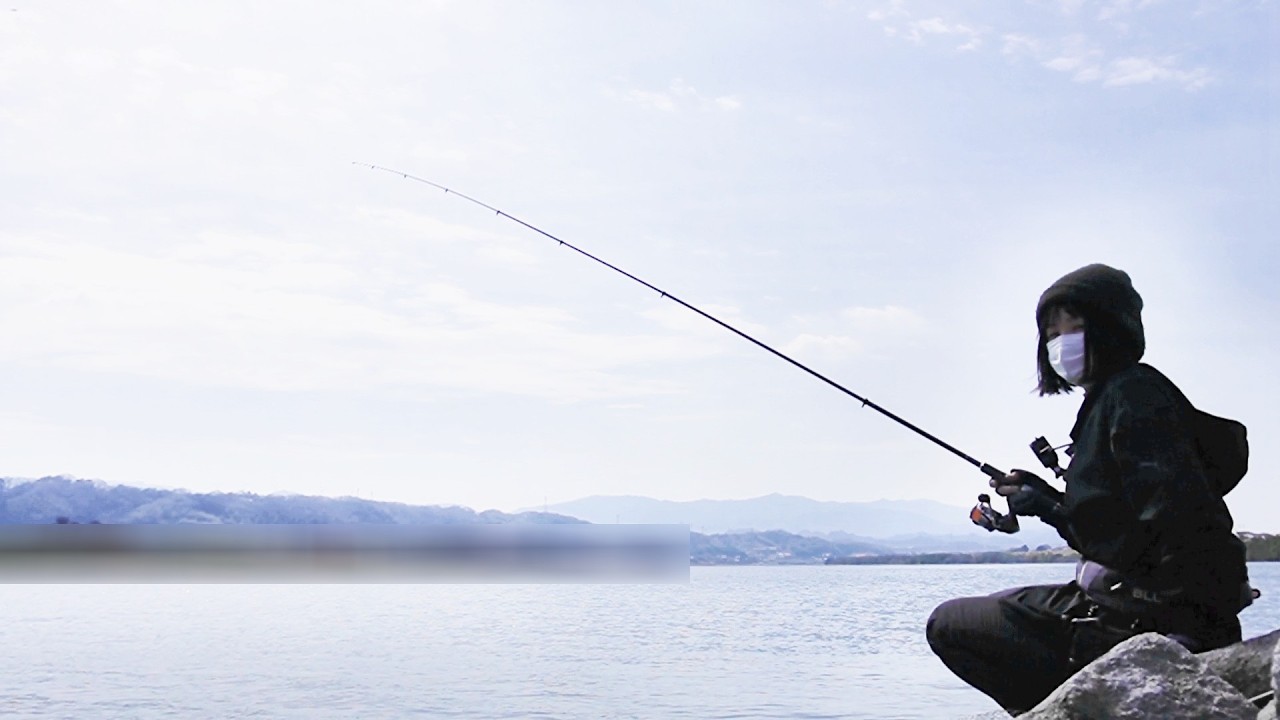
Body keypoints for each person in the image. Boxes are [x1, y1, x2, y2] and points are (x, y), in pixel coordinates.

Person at [925, 263, 1252, 715]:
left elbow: (1173, 525)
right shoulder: (1109, 401)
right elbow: (1113, 522)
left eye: (1074, 326)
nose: (1061, 342)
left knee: (951, 624)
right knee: (994, 607)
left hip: (1145, 618)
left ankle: (1070, 707)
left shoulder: (1133, 395)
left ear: (1111, 328)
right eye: (1051, 332)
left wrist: (1183, 631)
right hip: (1111, 598)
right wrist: (1045, 499)